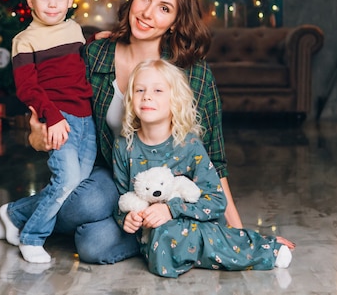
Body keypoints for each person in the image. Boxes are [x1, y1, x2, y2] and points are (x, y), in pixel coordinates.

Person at [0, 0, 243, 264]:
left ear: (175, 21)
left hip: (167, 189)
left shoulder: (193, 74)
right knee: (90, 213)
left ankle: (28, 218)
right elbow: (54, 106)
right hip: (112, 177)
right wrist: (37, 137)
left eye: (164, 8)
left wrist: (237, 235)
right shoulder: (95, 54)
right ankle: (20, 217)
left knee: (95, 243)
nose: (148, 13)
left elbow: (216, 161)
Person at [113, 59, 293, 278]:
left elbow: (216, 202)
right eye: (139, 90)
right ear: (131, 98)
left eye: (158, 90)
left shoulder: (189, 145)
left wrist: (171, 209)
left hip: (196, 225)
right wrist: (128, 218)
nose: (147, 96)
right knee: (162, 248)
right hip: (154, 237)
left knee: (176, 238)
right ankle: (201, 249)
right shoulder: (125, 146)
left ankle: (263, 249)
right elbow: (124, 199)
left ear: (175, 101)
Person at [0, 0, 96, 264]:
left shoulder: (74, 29)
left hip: (87, 120)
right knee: (66, 179)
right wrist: (51, 116)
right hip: (59, 119)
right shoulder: (25, 40)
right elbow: (27, 88)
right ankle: (32, 237)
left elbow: (76, 63)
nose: (52, 5)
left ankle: (13, 214)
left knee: (76, 186)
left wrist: (98, 39)